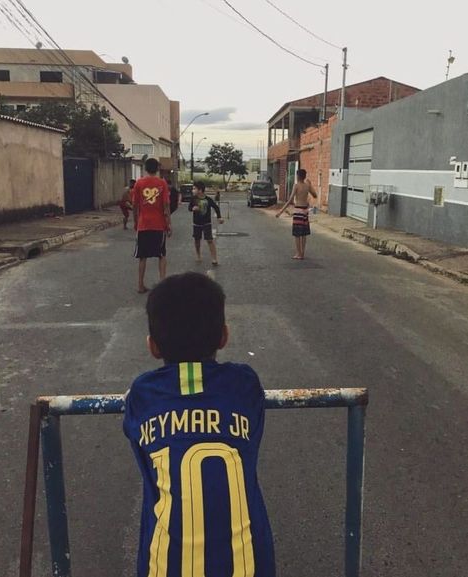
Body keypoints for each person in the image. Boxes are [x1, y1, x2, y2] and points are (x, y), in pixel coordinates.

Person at [123, 272, 275, 577]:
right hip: (250, 568)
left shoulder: (142, 394)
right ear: (224, 337)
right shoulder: (244, 384)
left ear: (153, 346)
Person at [132, 158, 171, 293]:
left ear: (145, 168)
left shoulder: (139, 183)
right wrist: (169, 224)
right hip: (159, 225)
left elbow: (135, 206)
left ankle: (140, 285)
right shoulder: (162, 183)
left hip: (143, 225)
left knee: (142, 256)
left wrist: (136, 223)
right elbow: (166, 205)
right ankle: (162, 284)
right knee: (161, 255)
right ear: (157, 169)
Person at [275, 168, 317, 259]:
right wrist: (311, 185)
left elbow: (290, 200)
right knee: (304, 234)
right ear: (304, 176)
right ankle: (302, 253)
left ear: (298, 176)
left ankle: (298, 253)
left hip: (298, 211)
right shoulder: (307, 186)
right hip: (305, 211)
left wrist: (280, 211)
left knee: (297, 234)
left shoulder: (296, 185)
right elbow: (315, 195)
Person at [188, 181, 224, 265]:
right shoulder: (193, 199)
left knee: (210, 240)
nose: (192, 190)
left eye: (194, 188)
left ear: (200, 190)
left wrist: (219, 217)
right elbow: (189, 208)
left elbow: (216, 207)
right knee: (197, 240)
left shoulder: (208, 199)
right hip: (196, 223)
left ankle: (214, 258)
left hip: (207, 223)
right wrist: (193, 208)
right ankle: (198, 255)